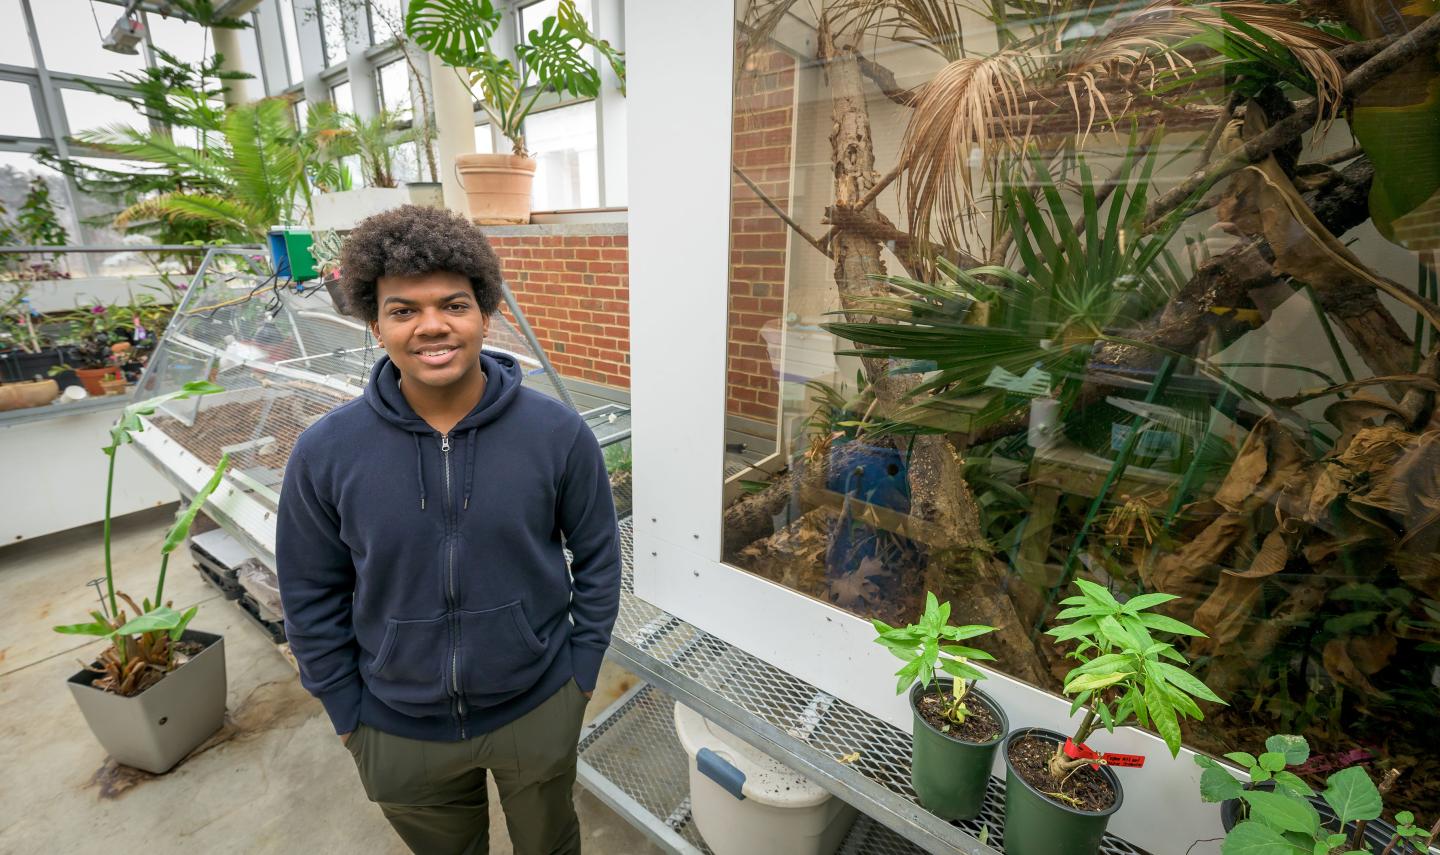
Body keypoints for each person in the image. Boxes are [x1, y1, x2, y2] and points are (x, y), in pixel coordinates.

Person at [277, 205, 622, 855]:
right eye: (404, 309)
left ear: (483, 314)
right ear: (375, 323)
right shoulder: (326, 452)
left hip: (536, 705)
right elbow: (308, 594)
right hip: (395, 725)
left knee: (551, 845)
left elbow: (600, 558)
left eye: (453, 304)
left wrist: (578, 677)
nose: (432, 325)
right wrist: (350, 715)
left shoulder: (556, 434)